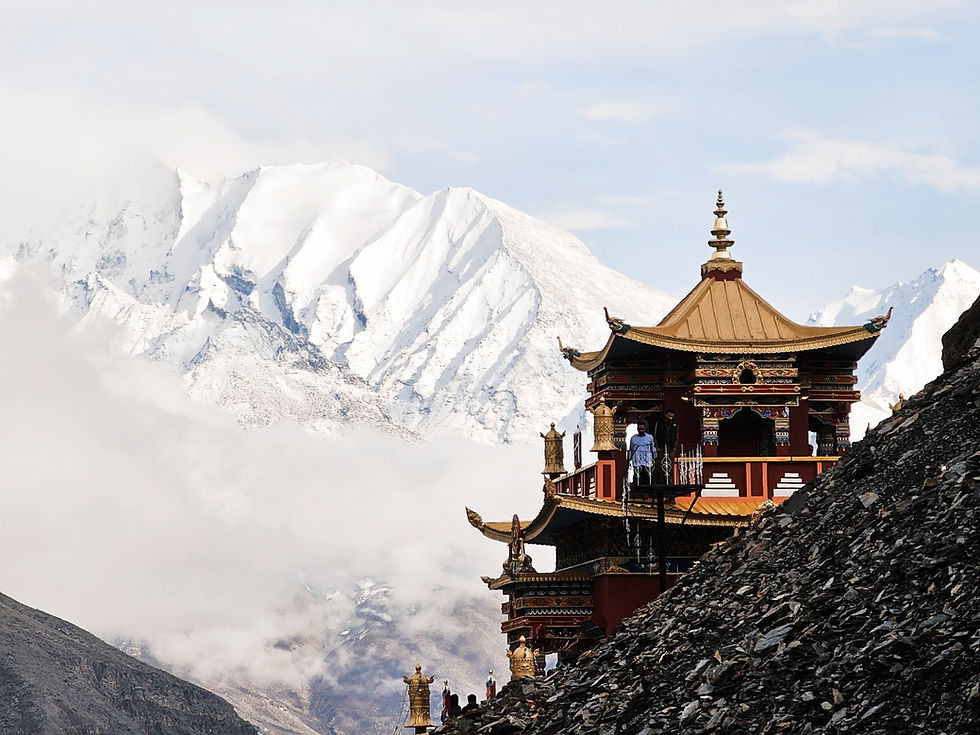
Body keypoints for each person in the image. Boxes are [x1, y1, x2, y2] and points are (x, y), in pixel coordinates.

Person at [629, 421, 656, 485]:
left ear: (645, 428)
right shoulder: (633, 438)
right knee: (637, 479)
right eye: (639, 429)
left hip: (647, 462)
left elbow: (653, 449)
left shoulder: (650, 437)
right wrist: (629, 460)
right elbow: (631, 450)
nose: (641, 430)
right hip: (637, 462)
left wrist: (654, 458)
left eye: (642, 429)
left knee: (647, 479)